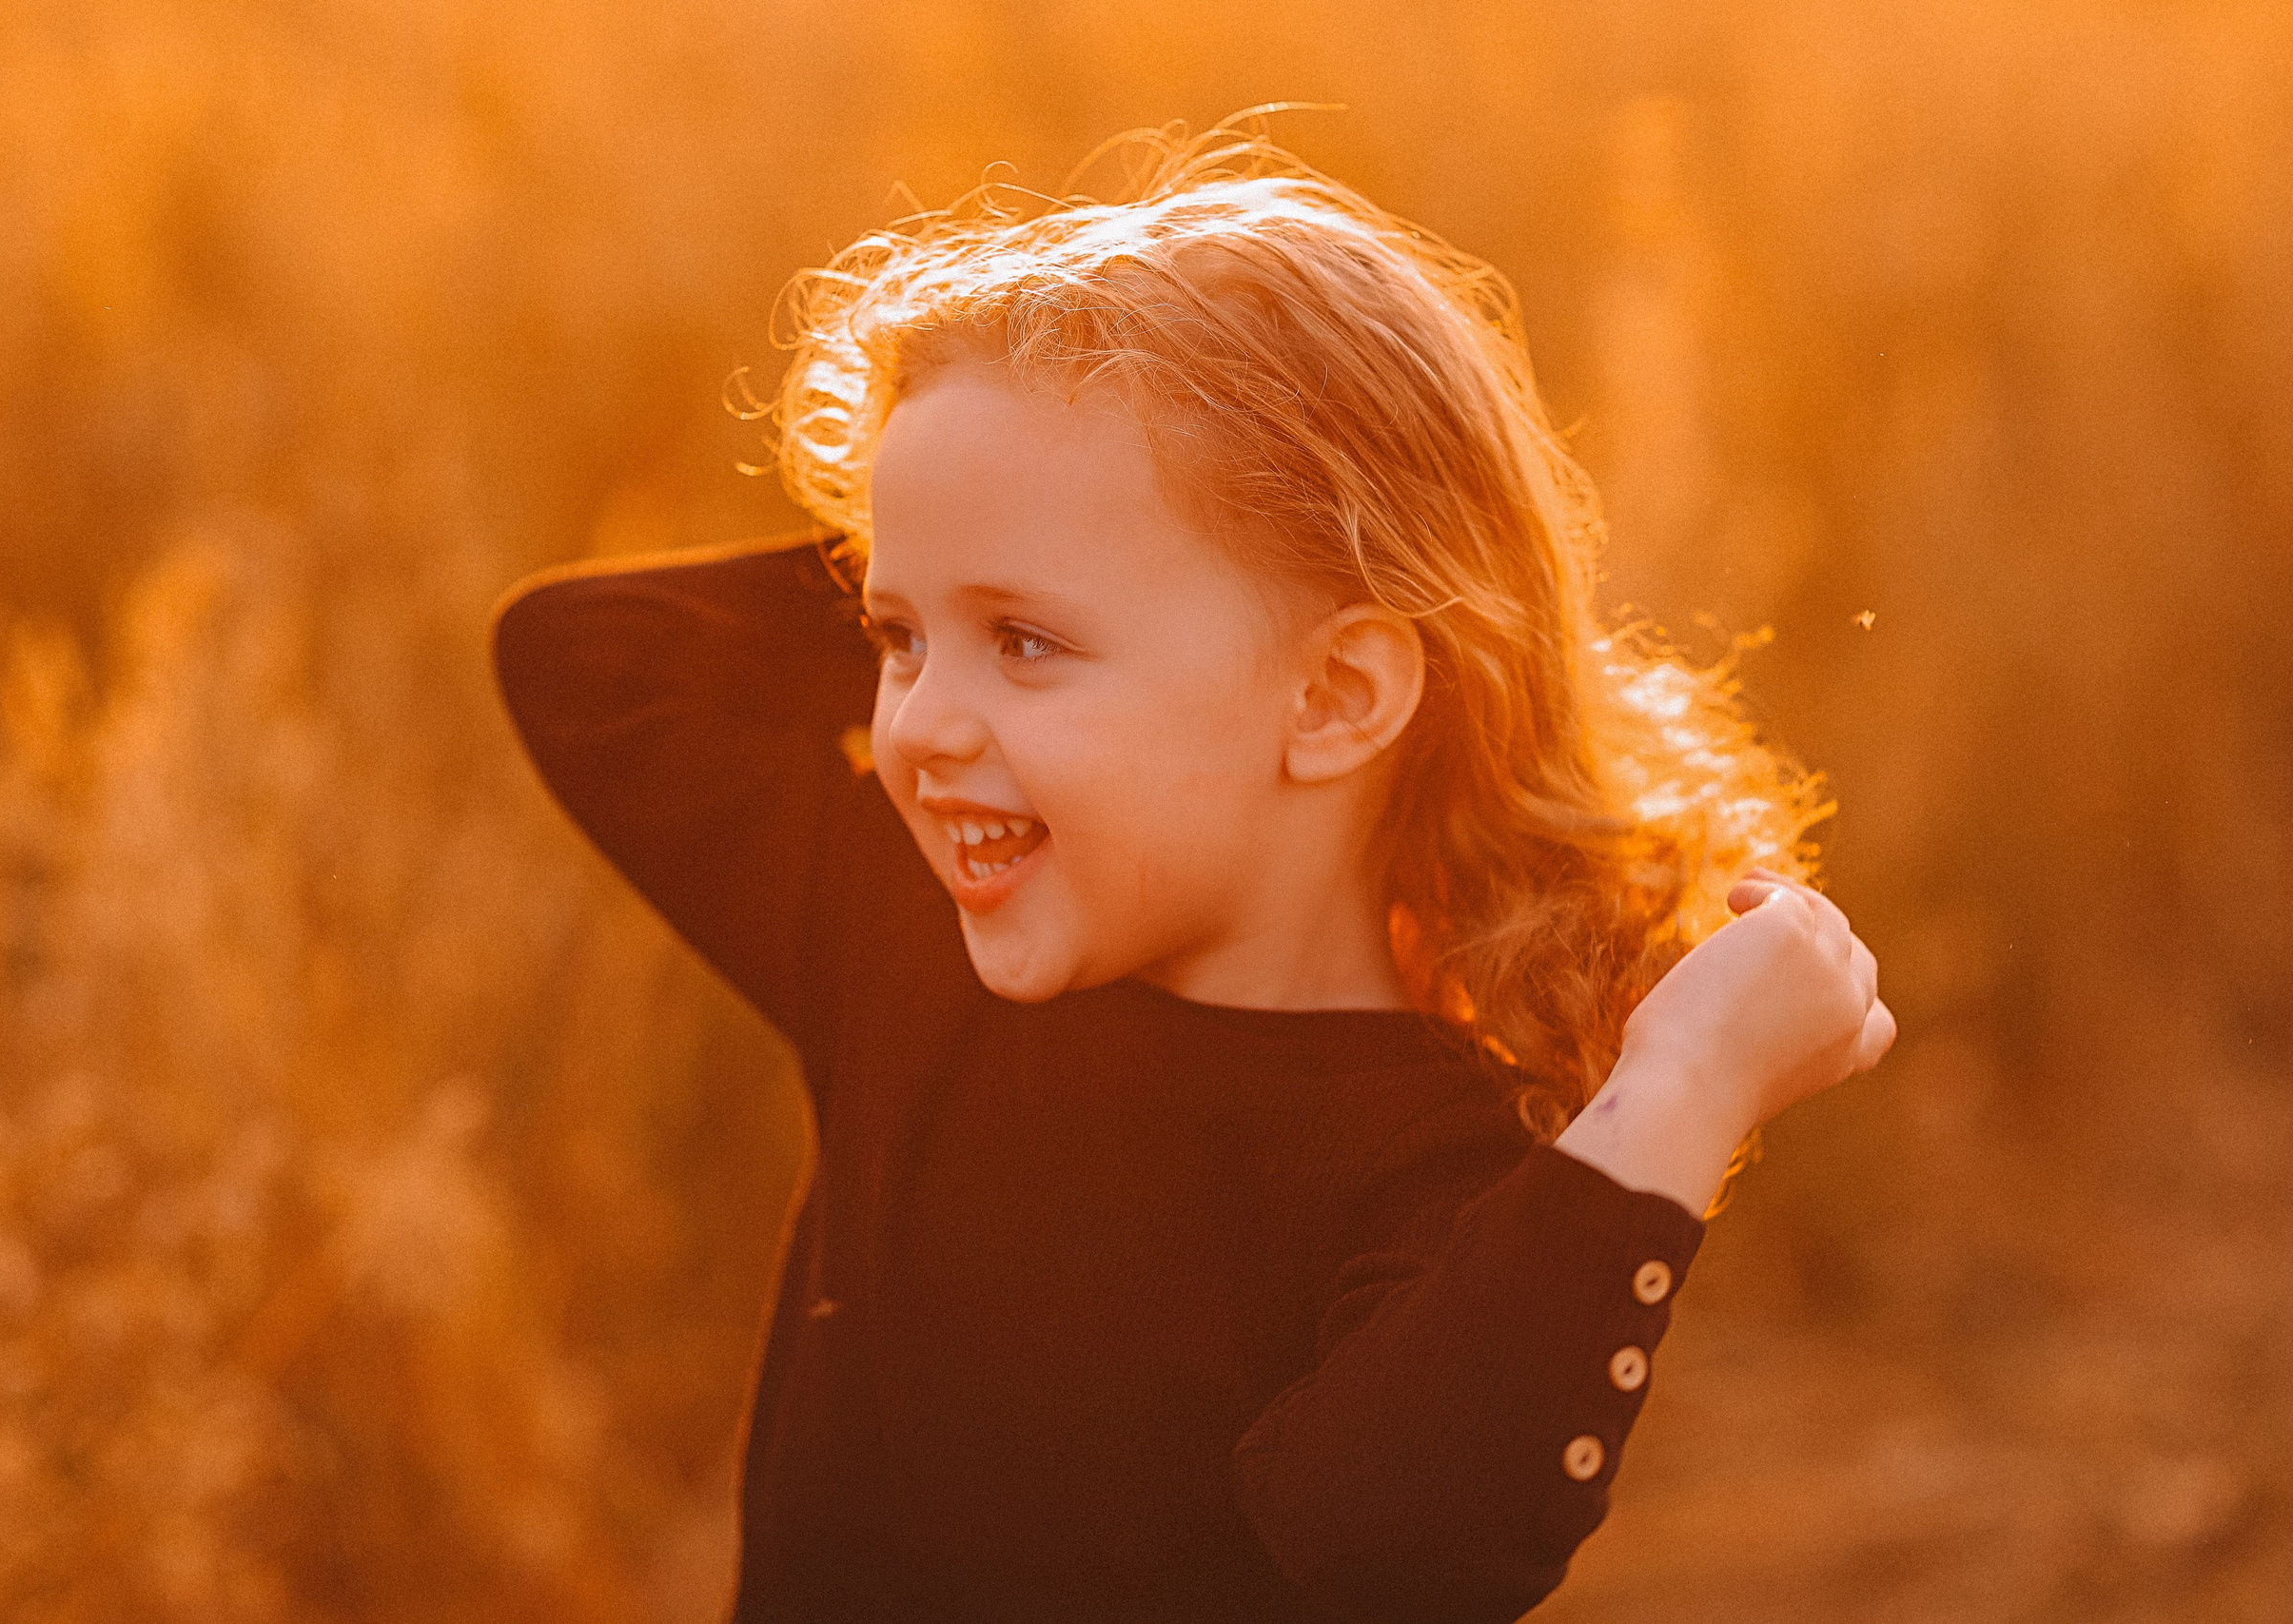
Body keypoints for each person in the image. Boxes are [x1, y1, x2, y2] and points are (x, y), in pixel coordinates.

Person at [490, 119, 1893, 1623]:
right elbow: (587, 664)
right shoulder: (901, 948)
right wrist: (982, 516)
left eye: (1026, 642)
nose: (915, 726)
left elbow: (1402, 1541)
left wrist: (1681, 1086)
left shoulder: (1430, 1161)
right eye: (897, 639)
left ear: (1337, 697)